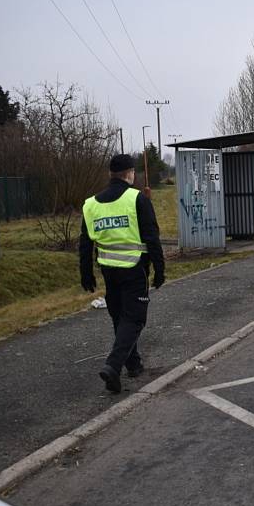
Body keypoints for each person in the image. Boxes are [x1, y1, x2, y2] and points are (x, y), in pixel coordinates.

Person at [79, 154, 165, 393]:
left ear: (110, 174)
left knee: (120, 318)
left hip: (109, 271)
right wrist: (159, 269)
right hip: (134, 269)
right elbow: (152, 237)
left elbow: (85, 243)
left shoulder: (91, 204)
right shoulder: (136, 199)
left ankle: (133, 363)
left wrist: (85, 273)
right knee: (134, 318)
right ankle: (113, 366)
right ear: (130, 173)